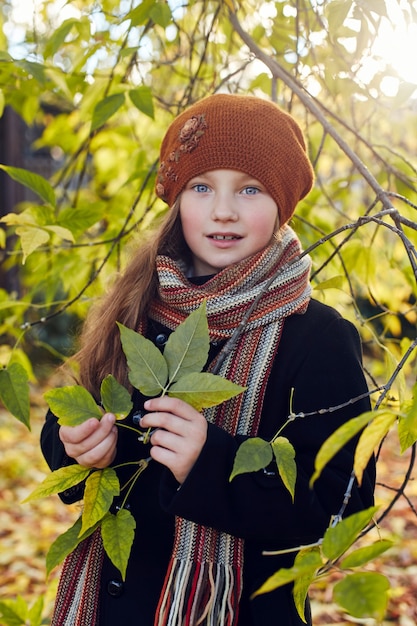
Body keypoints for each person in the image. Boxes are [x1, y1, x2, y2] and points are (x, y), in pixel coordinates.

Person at [41, 94, 375, 626]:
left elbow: (343, 506)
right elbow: (67, 417)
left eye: (250, 188)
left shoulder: (319, 337)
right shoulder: (137, 308)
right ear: (177, 200)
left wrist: (212, 461)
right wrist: (72, 443)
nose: (224, 210)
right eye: (202, 187)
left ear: (282, 204)